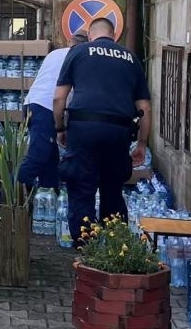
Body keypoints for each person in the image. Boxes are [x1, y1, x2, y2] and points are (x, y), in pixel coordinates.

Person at [53, 17, 150, 241]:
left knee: (81, 187)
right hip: (119, 130)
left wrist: (60, 128)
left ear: (90, 35)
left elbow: (59, 98)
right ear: (114, 36)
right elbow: (144, 107)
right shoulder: (130, 58)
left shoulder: (78, 52)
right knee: (113, 188)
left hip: (83, 127)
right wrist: (142, 144)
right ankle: (115, 245)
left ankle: (85, 247)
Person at [18, 29, 88, 191]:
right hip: (46, 107)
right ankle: (11, 198)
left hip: (32, 103)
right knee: (38, 157)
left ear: (70, 41)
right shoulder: (78, 58)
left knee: (50, 161)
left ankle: (47, 198)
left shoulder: (55, 54)